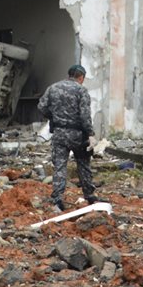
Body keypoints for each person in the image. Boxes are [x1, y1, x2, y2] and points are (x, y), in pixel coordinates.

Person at [37, 64, 96, 210]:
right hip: (78, 134)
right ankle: (90, 196)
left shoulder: (53, 88)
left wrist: (54, 117)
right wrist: (91, 134)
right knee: (83, 165)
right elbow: (85, 115)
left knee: (60, 166)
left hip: (59, 133)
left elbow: (42, 107)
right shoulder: (81, 90)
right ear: (81, 77)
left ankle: (57, 199)